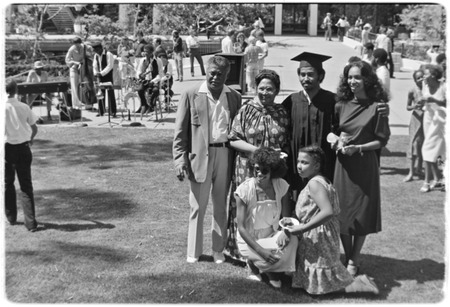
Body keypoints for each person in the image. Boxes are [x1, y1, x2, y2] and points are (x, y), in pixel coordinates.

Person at [173, 55, 242, 264]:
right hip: (199, 157)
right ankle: (193, 252)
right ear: (206, 71)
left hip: (225, 155)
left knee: (220, 205)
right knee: (197, 206)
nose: (215, 77)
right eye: (212, 73)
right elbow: (180, 131)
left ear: (227, 75)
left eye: (220, 74)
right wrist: (179, 160)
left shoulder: (234, 97)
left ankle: (218, 249)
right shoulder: (191, 94)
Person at [285, 145, 379, 295]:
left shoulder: (315, 184)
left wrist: (302, 228)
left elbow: (327, 212)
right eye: (298, 161)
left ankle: (360, 285)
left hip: (319, 235)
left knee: (328, 275)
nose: (299, 166)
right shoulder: (322, 180)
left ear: (316, 165)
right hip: (322, 232)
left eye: (304, 162)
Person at [333, 60, 390, 277]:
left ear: (367, 79)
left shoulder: (378, 107)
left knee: (363, 213)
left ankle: (354, 259)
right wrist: (337, 140)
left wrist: (358, 148)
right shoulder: (340, 105)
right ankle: (348, 256)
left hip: (365, 164)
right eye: (350, 77)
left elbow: (381, 141)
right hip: (343, 166)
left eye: (357, 77)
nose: (353, 81)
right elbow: (333, 132)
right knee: (343, 213)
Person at [225, 70, 290, 262]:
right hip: (247, 167)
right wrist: (259, 153)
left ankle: (270, 246)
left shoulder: (281, 113)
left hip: (274, 170)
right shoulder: (246, 110)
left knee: (268, 208)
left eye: (269, 89)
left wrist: (278, 155)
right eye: (261, 88)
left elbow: (286, 141)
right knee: (247, 206)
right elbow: (233, 139)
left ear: (277, 91)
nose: (265, 92)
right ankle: (243, 251)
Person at [235, 147, 297, 288]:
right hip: (249, 238)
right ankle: (265, 269)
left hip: (272, 233)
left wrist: (284, 233)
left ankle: (264, 266)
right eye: (256, 169)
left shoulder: (281, 185)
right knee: (269, 258)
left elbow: (286, 219)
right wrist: (260, 250)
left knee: (293, 239)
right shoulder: (243, 190)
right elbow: (241, 227)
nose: (259, 173)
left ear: (273, 171)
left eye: (264, 171)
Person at [4, 79, 40, 232]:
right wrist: (30, 139)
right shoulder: (24, 107)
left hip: (7, 149)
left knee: (8, 184)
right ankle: (30, 223)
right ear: (16, 90)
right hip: (23, 148)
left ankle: (11, 217)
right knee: (26, 186)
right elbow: (34, 127)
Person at [418, 64, 446, 192]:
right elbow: (423, 99)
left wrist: (433, 99)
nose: (424, 76)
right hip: (428, 117)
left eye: (426, 74)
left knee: (427, 148)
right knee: (430, 149)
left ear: (434, 75)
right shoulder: (425, 85)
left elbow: (447, 103)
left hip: (440, 119)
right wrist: (421, 102)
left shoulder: (444, 87)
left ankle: (426, 182)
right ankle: (438, 178)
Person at [403, 70, 425, 183]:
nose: (421, 79)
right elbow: (407, 107)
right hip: (416, 119)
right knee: (413, 144)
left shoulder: (428, 90)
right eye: (418, 78)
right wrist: (414, 106)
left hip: (426, 120)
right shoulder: (412, 91)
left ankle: (419, 169)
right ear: (415, 80)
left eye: (422, 77)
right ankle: (411, 172)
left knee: (423, 144)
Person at [135, 44, 165, 115]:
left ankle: (151, 105)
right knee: (140, 90)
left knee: (155, 90)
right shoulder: (142, 60)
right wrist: (140, 75)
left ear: (152, 52)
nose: (145, 53)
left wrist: (153, 81)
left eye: (147, 51)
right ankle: (144, 105)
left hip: (154, 81)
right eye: (144, 51)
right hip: (145, 80)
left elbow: (161, 74)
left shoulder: (158, 61)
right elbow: (138, 71)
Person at [92, 40, 117, 117]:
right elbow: (95, 65)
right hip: (100, 76)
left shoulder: (108, 54)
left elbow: (110, 66)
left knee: (110, 94)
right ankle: (101, 111)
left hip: (108, 76)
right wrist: (96, 73)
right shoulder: (96, 55)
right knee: (100, 94)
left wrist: (102, 73)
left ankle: (112, 111)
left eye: (96, 50)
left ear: (100, 48)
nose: (95, 52)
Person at [65, 36, 85, 109]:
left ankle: (84, 101)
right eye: (76, 44)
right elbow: (67, 60)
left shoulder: (83, 47)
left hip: (82, 68)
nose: (77, 45)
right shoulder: (71, 49)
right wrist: (74, 62)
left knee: (83, 86)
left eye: (78, 43)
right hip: (74, 68)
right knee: (74, 86)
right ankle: (75, 104)